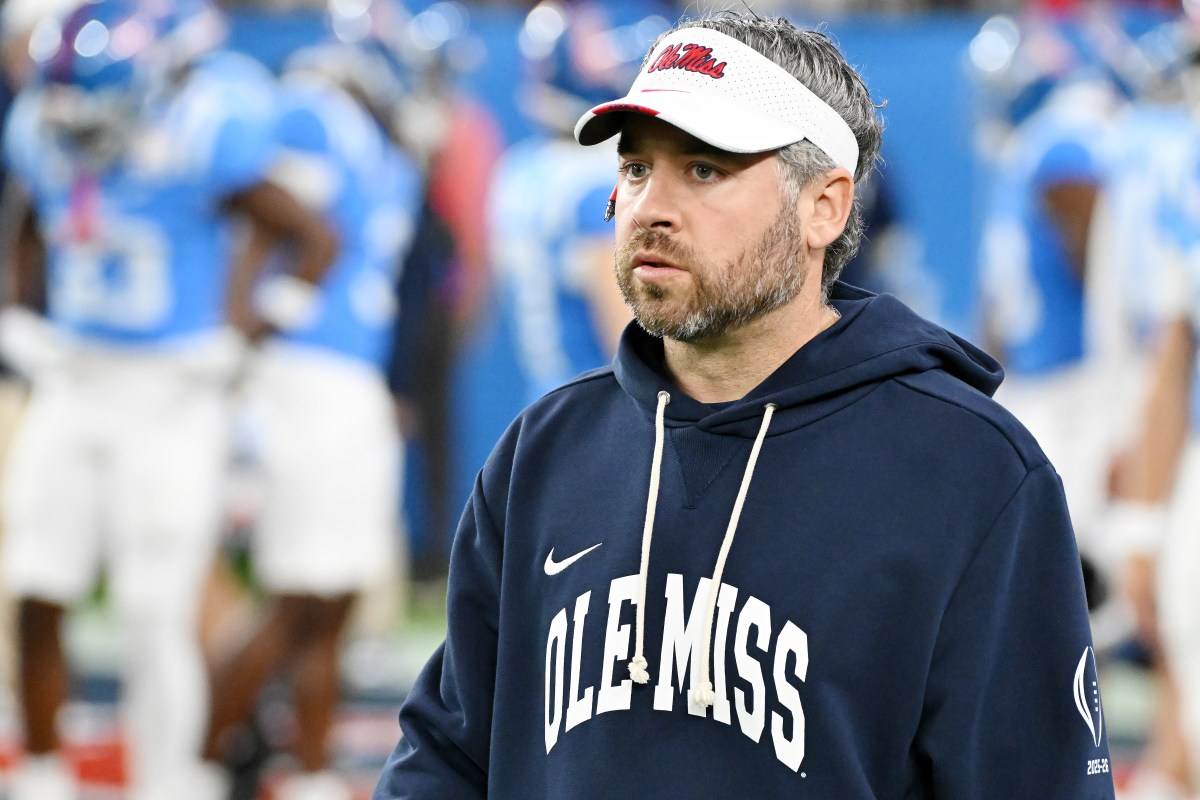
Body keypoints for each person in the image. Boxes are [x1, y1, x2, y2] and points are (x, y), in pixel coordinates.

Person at [373, 11, 1114, 799]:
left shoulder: (971, 471)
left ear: (823, 207)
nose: (651, 206)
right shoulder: (543, 453)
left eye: (702, 169)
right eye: (634, 169)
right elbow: (443, 762)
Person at [0, 1, 335, 798]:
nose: (77, 127)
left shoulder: (206, 128)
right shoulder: (43, 128)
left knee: (156, 610)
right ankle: (44, 775)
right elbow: (31, 223)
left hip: (171, 391)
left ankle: (167, 780)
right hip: (75, 377)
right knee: (36, 582)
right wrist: (20, 311)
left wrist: (253, 327)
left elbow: (304, 232)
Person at [199, 36, 423, 800]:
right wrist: (251, 325)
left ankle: (311, 774)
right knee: (297, 595)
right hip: (303, 378)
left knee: (332, 597)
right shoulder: (314, 112)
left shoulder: (375, 147)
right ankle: (203, 770)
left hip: (343, 378)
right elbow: (261, 222)